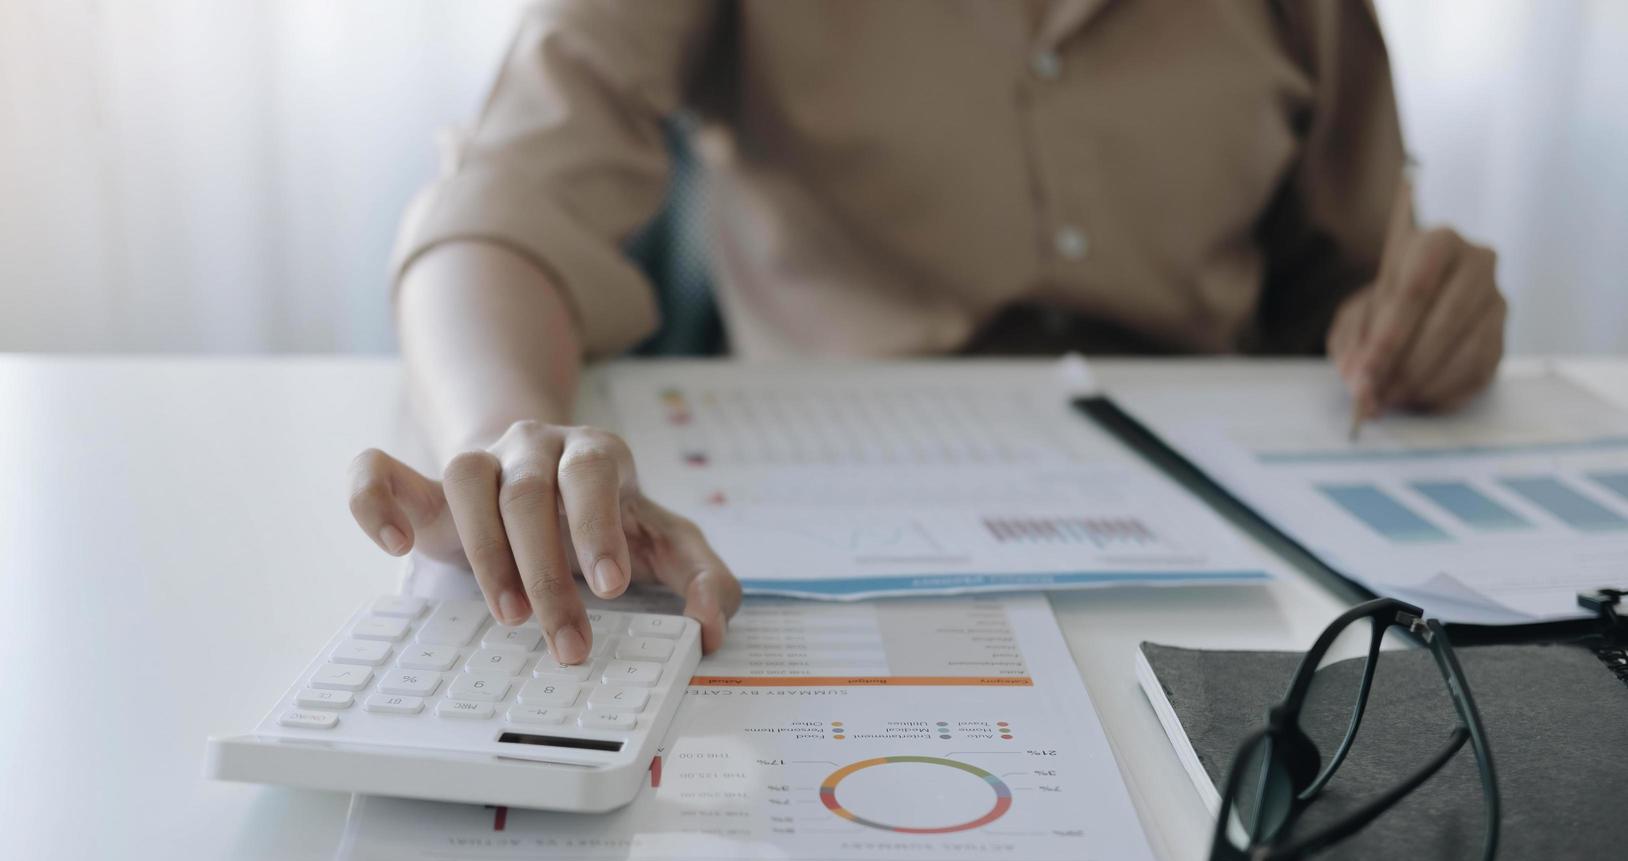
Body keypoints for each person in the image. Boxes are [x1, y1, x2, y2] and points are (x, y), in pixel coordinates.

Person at [346, 1, 1506, 663]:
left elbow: (1346, 278)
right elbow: (496, 210)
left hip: (1225, 559)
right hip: (833, 533)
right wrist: (509, 439)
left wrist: (1419, 320)